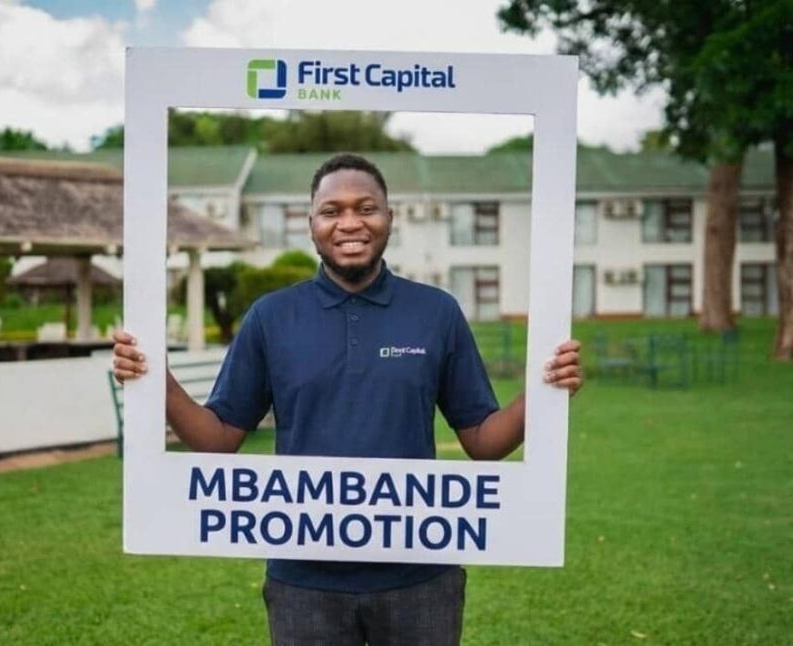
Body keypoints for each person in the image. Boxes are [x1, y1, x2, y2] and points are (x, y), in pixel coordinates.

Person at [113, 153, 583, 645]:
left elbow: (484, 442)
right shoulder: (271, 317)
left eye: (366, 208)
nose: (350, 223)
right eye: (331, 211)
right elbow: (218, 440)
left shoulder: (436, 313)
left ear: (390, 218)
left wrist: (547, 391)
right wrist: (155, 380)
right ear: (311, 224)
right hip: (303, 582)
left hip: (421, 578)